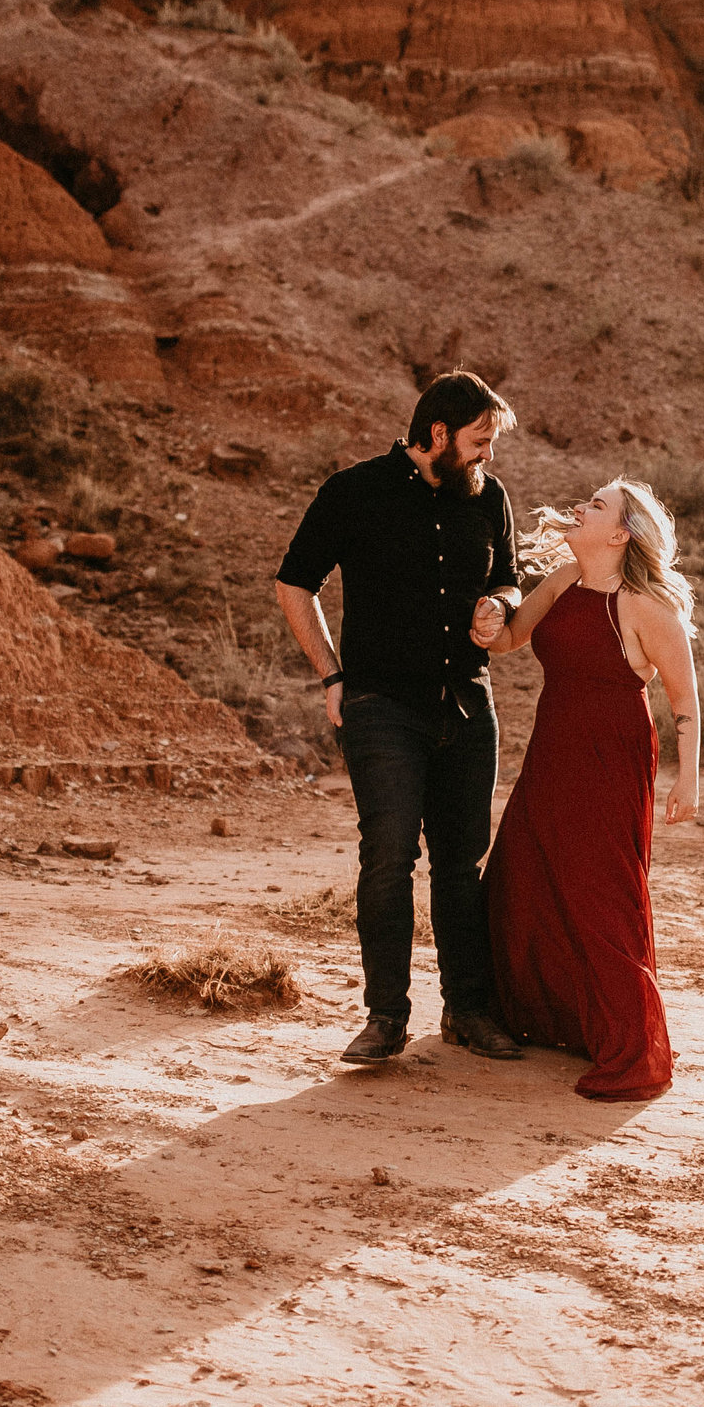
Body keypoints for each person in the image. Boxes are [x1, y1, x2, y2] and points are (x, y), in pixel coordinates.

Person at [274, 371, 529, 1065]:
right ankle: (385, 1016)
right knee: (387, 856)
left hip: (469, 705)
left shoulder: (491, 497)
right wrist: (331, 671)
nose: (487, 458)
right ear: (437, 434)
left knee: (461, 863)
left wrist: (501, 605)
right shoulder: (353, 491)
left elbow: (508, 576)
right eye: (479, 443)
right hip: (381, 707)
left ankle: (467, 1010)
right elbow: (295, 581)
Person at [478, 479, 699, 1101]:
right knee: (523, 871)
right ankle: (544, 1018)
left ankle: (631, 1044)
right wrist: (488, 619)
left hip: (612, 756)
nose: (581, 507)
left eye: (597, 505)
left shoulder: (645, 606)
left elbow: (684, 699)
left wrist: (689, 777)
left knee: (600, 889)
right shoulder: (564, 579)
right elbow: (509, 640)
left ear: (621, 533)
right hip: (553, 748)